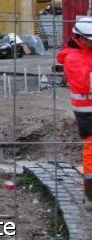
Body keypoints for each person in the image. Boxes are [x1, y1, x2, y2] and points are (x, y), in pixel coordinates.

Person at [56, 16, 92, 210]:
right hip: (87, 112)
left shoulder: (87, 52)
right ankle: (91, 194)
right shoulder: (73, 57)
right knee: (91, 150)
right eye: (90, 39)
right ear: (80, 38)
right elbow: (86, 83)